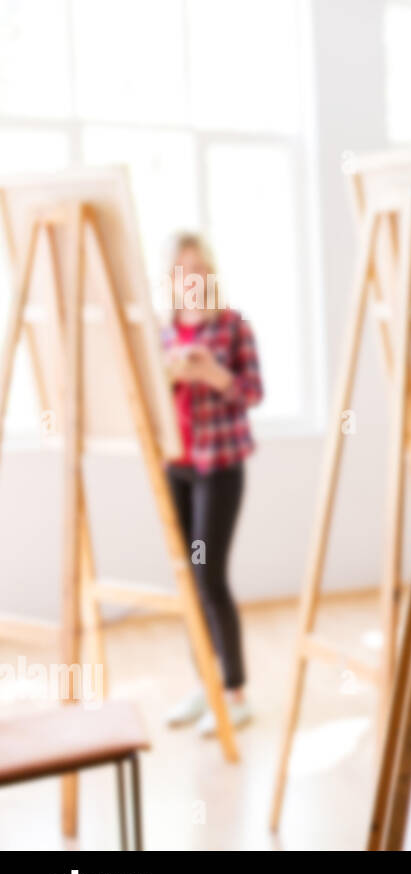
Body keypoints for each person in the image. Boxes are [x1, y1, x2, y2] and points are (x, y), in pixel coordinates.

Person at [159, 232, 264, 737]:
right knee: (187, 577)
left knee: (208, 576)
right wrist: (171, 375)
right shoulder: (163, 332)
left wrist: (214, 375)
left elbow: (252, 392)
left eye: (199, 269)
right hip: (175, 465)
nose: (191, 279)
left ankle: (235, 690)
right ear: (172, 279)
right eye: (183, 270)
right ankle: (204, 681)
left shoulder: (233, 326)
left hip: (218, 469)